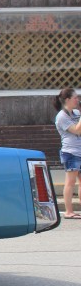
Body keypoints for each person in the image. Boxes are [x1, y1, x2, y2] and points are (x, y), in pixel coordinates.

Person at [53, 88, 81, 219]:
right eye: (75, 98)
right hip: (70, 152)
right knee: (70, 182)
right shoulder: (61, 117)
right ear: (67, 100)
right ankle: (69, 211)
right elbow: (76, 130)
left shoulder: (75, 112)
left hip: (80, 151)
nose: (77, 100)